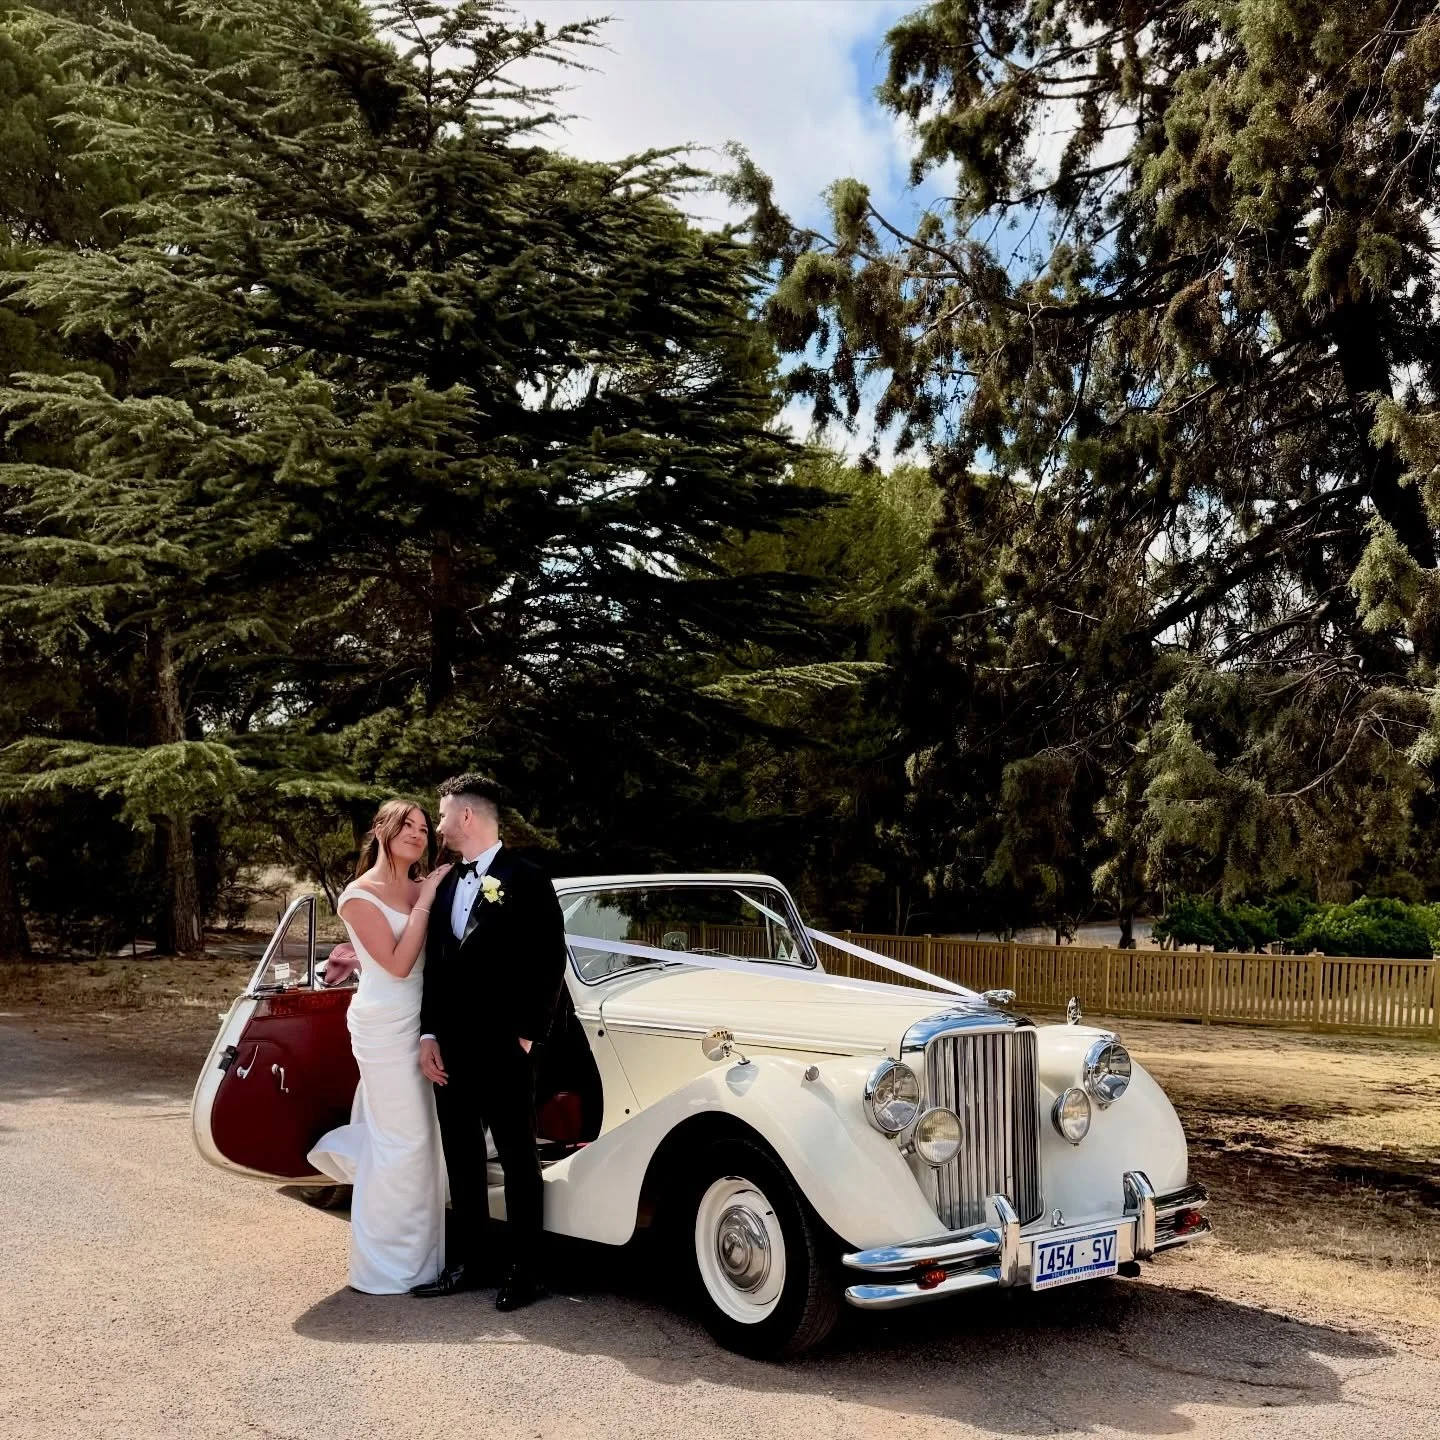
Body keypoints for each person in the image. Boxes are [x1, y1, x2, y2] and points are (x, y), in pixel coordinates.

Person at [409, 773, 568, 1312]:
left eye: (443, 811)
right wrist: (428, 1032)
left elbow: (548, 964)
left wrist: (525, 1036)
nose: (439, 820)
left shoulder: (527, 878)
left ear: (467, 817)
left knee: (520, 1157)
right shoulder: (446, 881)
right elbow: (436, 966)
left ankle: (528, 1270)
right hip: (450, 1046)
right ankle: (473, 1261)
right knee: (462, 1153)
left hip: (506, 1047)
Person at [307, 801, 453, 1294]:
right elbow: (394, 963)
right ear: (382, 831)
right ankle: (387, 1267)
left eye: (423, 827)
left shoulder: (423, 886)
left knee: (425, 1139)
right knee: (401, 1140)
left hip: (427, 1020)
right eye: (406, 825)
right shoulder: (358, 895)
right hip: (384, 1021)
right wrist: (429, 897)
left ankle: (424, 1261)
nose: (417, 833)